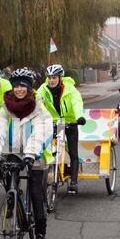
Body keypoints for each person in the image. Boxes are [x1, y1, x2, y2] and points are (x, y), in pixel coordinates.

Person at [0, 68, 53, 239]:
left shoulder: (38, 107)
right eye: (16, 86)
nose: (19, 89)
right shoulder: (6, 107)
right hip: (12, 152)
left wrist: (31, 153)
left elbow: (40, 132)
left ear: (29, 88)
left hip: (35, 153)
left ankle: (40, 234)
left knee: (37, 194)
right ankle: (13, 200)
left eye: (23, 86)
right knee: (10, 182)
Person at [36, 64, 85, 194]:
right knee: (46, 147)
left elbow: (76, 102)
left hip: (70, 121)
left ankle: (73, 182)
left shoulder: (70, 89)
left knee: (73, 152)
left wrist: (79, 116)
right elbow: (37, 103)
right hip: (53, 122)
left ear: (60, 78)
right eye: (49, 77)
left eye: (54, 78)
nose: (51, 80)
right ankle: (50, 169)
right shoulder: (43, 89)